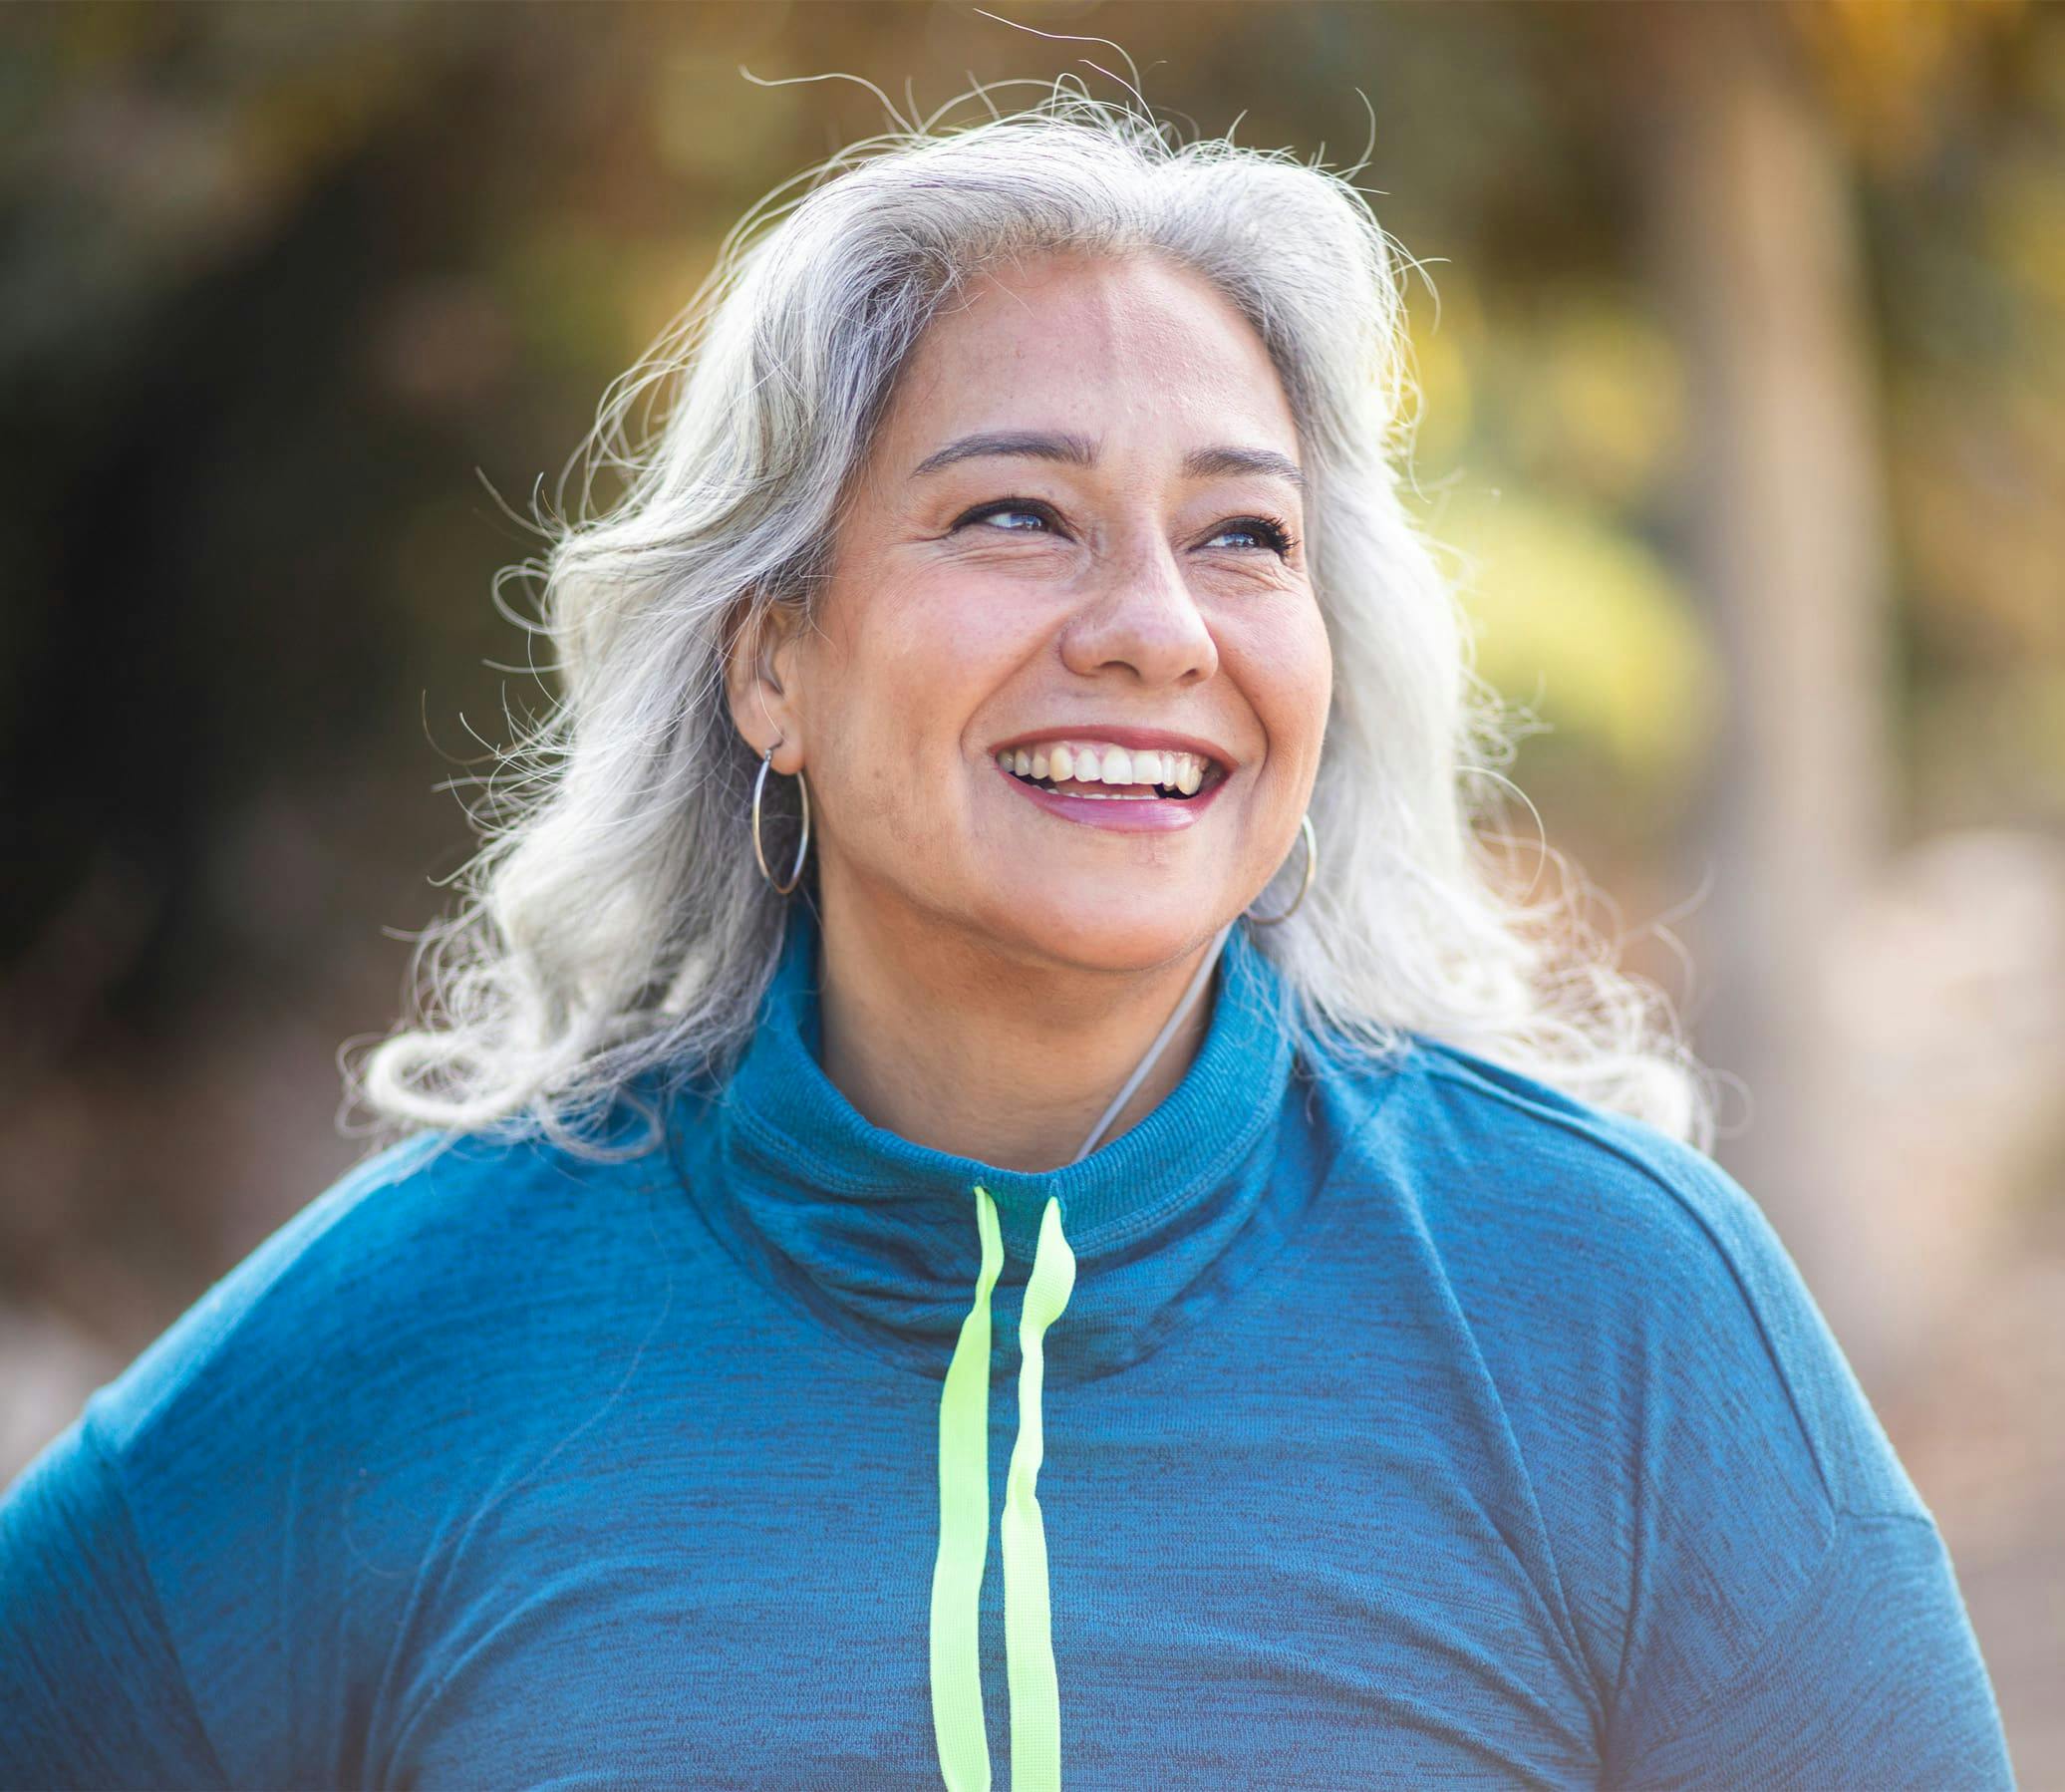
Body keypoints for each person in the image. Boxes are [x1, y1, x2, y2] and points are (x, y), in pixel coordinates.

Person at [0, 93, 2014, 1791]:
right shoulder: (421, 1334)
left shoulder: (1612, 1316)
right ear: (768, 656)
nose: (1156, 624)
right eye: (1014, 516)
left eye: (1243, 533)